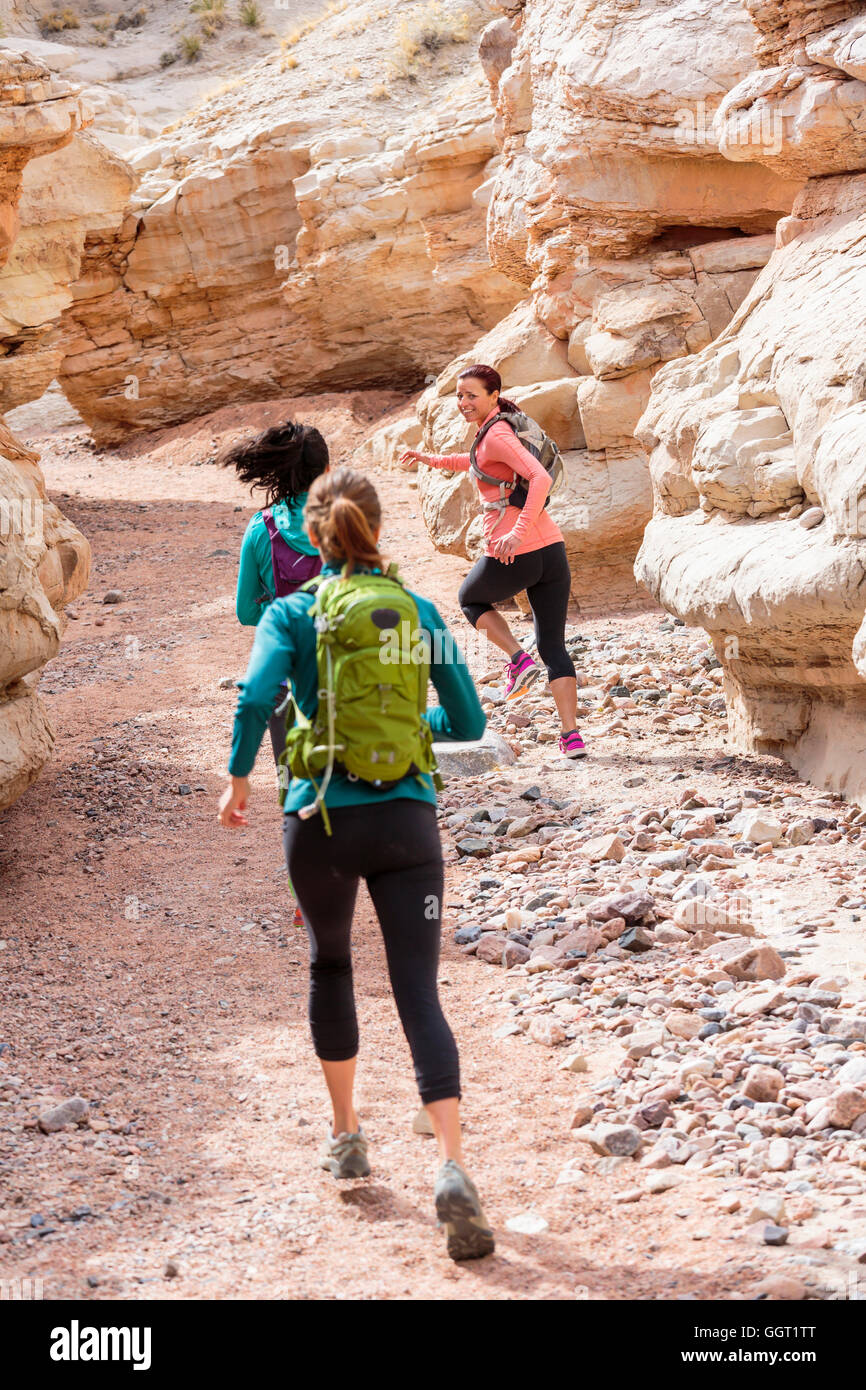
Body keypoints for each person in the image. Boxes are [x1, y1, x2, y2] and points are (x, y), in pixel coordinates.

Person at [217, 466, 495, 1263]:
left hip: (321, 818)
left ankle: (347, 1139)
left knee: (330, 966)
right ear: (377, 528)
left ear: (313, 533)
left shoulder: (292, 612)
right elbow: (469, 719)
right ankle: (452, 1163)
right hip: (408, 822)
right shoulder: (420, 611)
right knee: (418, 991)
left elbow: (254, 699)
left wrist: (240, 776)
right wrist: (413, 718)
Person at [400, 364, 586, 759]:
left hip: (514, 549)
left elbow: (539, 478)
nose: (464, 402)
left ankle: (518, 660)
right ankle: (571, 736)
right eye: (459, 395)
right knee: (553, 645)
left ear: (493, 395)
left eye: (471, 395)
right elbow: (475, 464)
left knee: (469, 599)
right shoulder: (491, 433)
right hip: (550, 550)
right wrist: (426, 458)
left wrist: (517, 531)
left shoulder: (497, 433)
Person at [221, 419, 327, 764]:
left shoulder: (260, 528)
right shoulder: (352, 522)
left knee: (291, 777)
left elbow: (245, 612)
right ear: (327, 470)